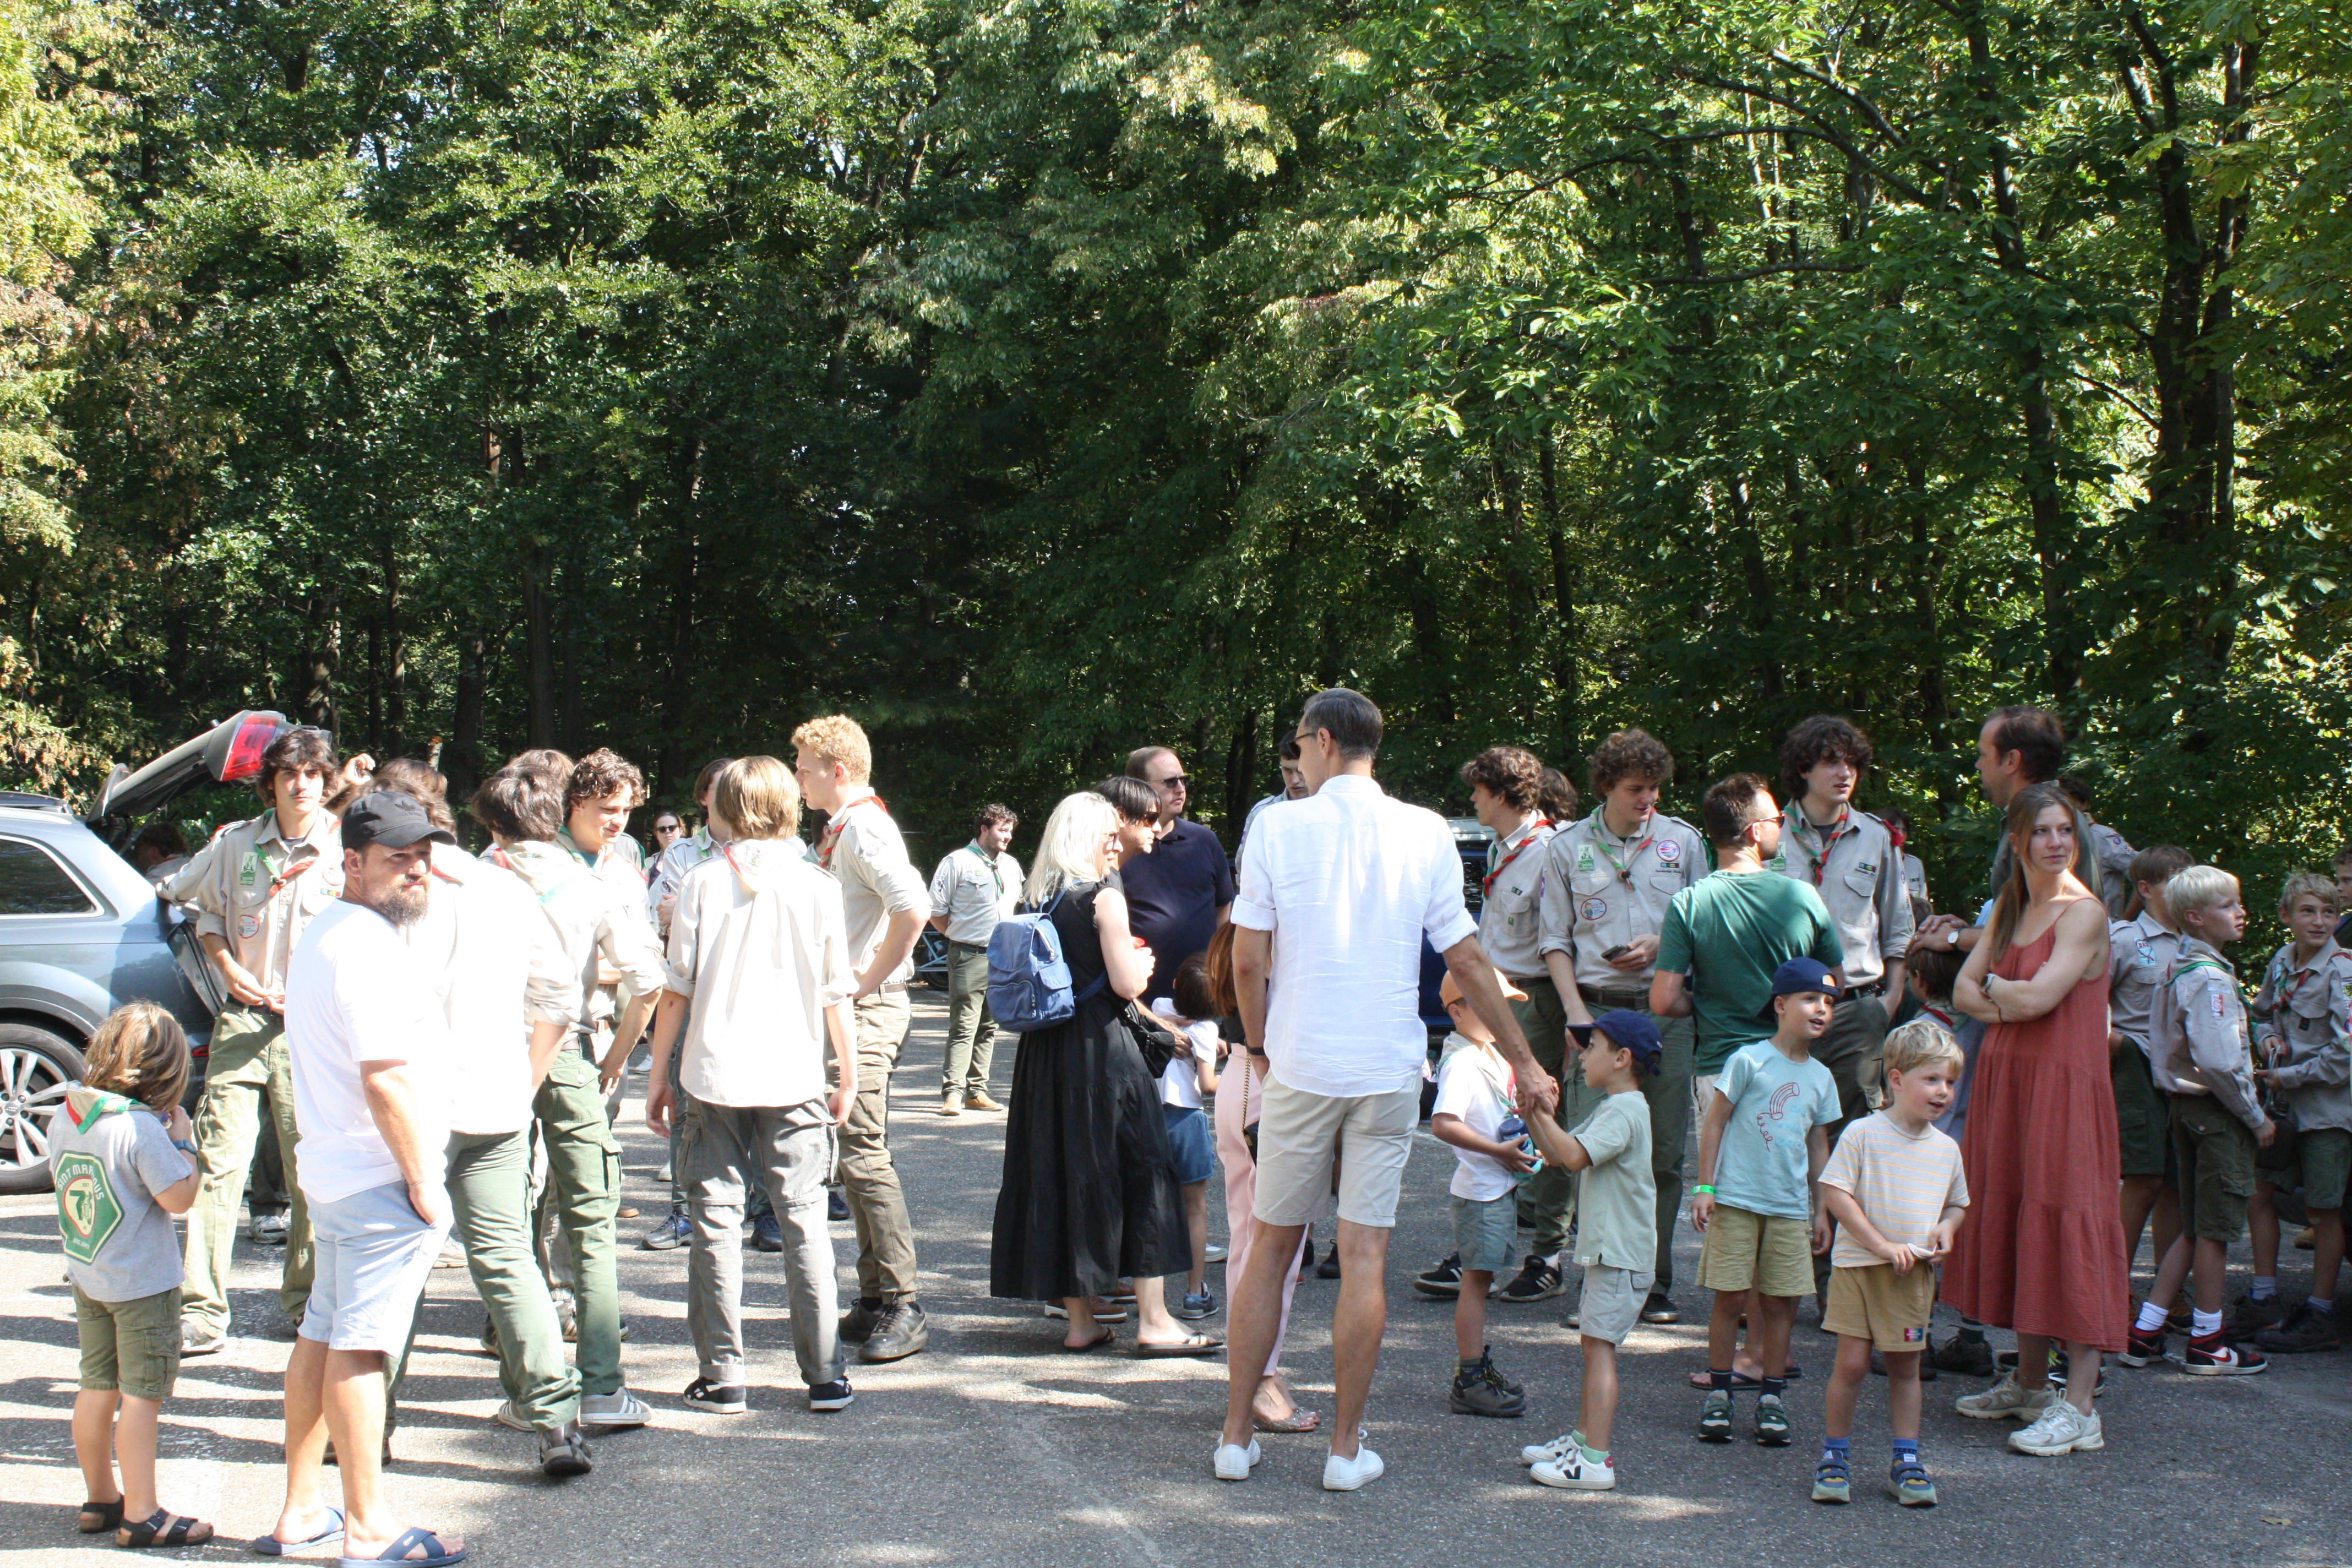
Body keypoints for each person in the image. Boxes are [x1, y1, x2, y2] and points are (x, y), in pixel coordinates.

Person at [1213, 688, 1553, 1493]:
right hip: (1386, 1069)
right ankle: (1343, 1450)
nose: (1293, 760)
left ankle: (1234, 1439)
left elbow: (1248, 960)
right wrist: (1526, 1062)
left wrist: (1258, 1048)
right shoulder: (1427, 831)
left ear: (1325, 743)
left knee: (1270, 1247)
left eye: (1297, 746)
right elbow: (1468, 961)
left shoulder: (1276, 826)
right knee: (1365, 1255)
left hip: (1298, 1064)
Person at [372, 760, 592, 1476]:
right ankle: (558, 1421)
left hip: (412, 1106)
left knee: (395, 1264)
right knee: (509, 1261)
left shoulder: (392, 894)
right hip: (495, 1099)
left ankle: (371, 1423)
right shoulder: (503, 888)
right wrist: (525, 1080)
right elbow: (561, 995)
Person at [270, 791, 467, 1567]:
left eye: (423, 854)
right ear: (351, 862)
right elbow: (385, 1079)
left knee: (323, 1334)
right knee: (361, 1347)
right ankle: (368, 1528)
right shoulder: (367, 946)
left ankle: (299, 1512)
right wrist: (424, 1183)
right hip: (377, 1174)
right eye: (397, 858)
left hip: (337, 1171)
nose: (416, 870)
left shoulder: (330, 931)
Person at [644, 757, 859, 1414]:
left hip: (712, 1072)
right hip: (794, 1072)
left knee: (715, 1221)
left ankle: (723, 1373)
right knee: (804, 1222)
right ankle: (825, 1374)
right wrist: (844, 1073)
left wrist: (657, 1076)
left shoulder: (704, 883)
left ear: (726, 808)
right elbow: (836, 993)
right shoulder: (819, 886)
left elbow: (675, 991)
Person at [989, 790, 1213, 1355]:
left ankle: (1081, 1321)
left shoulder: (1038, 896)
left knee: (1065, 1174)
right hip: (1103, 1053)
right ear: (1083, 837)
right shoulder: (1103, 898)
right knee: (1140, 1176)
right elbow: (1126, 985)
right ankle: (1156, 1321)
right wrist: (1143, 965)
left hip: (1047, 1055)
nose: (1117, 842)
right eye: (1108, 833)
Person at [1942, 782, 2126, 1457]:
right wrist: (2004, 995)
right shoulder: (2014, 907)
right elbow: (1966, 988)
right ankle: (2026, 1381)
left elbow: (2040, 999)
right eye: (2043, 832)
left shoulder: (2085, 912)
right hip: (2009, 1082)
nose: (2056, 843)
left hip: (2065, 1090)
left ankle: (2080, 1405)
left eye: (2065, 832)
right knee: (2020, 1213)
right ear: (2018, 841)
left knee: (2068, 1218)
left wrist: (1994, 990)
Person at [478, 756, 663, 1421]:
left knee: (507, 1216)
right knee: (584, 1213)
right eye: (605, 809)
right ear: (565, 807)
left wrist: (612, 1057)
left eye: (625, 812)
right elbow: (650, 977)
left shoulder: (481, 873)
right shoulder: (587, 882)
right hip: (564, 1050)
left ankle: (532, 1391)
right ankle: (599, 1386)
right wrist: (611, 1057)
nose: (616, 823)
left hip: (492, 1051)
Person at [164, 724, 344, 1355]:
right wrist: (230, 970)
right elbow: (194, 906)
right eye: (290, 775)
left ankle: (306, 1302)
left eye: (314, 775)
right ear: (270, 783)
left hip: (315, 1029)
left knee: (309, 1171)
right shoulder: (237, 845)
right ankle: (202, 1311)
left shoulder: (348, 850)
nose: (302, 785)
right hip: (245, 1020)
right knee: (219, 1164)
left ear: (327, 782)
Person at [1533, 729, 1705, 1321]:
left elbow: (1702, 926)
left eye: (1656, 788)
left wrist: (1663, 942)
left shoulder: (1683, 843)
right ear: (1606, 786)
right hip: (1597, 1011)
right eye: (1636, 789)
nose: (1648, 799)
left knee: (1662, 1152)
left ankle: (1653, 1283)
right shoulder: (1566, 847)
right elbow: (1553, 940)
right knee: (1593, 1148)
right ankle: (1600, 1279)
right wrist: (1575, 1012)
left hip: (1664, 1012)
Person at [795, 714, 932, 1363]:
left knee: (865, 1149)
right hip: (857, 1007)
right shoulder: (847, 828)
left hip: (870, 1009)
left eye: (804, 767)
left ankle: (905, 1302)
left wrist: (863, 980)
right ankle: (877, 1295)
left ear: (837, 771)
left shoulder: (865, 827)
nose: (798, 779)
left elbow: (914, 907)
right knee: (853, 1148)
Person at [50, 1004, 210, 1548]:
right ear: (167, 1073)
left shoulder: (66, 1113)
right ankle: (142, 1513)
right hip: (142, 1285)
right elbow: (179, 1197)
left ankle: (101, 1497)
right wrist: (185, 1142)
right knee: (142, 1396)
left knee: (97, 1383)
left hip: (90, 1275)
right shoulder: (141, 1128)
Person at [1811, 1019, 1969, 1509]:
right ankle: (1834, 1456)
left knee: (1906, 1367)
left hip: (1911, 1274)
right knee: (1853, 1364)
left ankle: (1907, 1460)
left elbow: (1957, 1204)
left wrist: (1948, 1228)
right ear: (1896, 1080)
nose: (1942, 1092)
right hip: (1860, 1270)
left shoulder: (1947, 1150)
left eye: (1949, 1082)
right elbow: (1835, 1191)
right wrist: (1879, 1244)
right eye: (1931, 1080)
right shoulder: (1863, 1133)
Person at [2125, 863, 2274, 1379]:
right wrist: (2255, 1119)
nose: (2241, 913)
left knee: (2192, 1225)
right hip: (2217, 1113)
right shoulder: (2209, 978)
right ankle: (2208, 1341)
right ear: (2196, 917)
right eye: (2229, 906)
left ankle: (2145, 1330)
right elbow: (2219, 1062)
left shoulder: (2177, 969)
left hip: (2185, 1112)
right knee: (2215, 1231)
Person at [1691, 958, 1841, 1449]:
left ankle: (1771, 1397)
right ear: (1780, 1005)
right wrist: (1706, 1187)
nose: (1821, 1009)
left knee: (1781, 1305)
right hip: (1736, 1199)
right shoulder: (1748, 1060)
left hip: (1789, 1207)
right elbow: (1715, 1121)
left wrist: (1821, 1209)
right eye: (1810, 999)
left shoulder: (1822, 1077)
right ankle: (1720, 1393)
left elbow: (1819, 1145)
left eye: (1829, 1003)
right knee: (1730, 1296)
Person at [1517, 1010, 1663, 1495]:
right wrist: (1534, 1114)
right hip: (1612, 1254)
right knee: (1592, 1347)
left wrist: (1539, 1111)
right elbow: (1559, 1154)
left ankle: (1596, 1460)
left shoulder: (1625, 1110)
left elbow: (1573, 1155)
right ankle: (1582, 1442)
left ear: (1622, 1059)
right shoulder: (1614, 1107)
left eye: (1592, 1046)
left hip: (1622, 1256)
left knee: (1599, 1351)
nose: (1582, 1055)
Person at [1444, 746, 1561, 1304]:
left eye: (1478, 789)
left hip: (1530, 998)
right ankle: (1483, 1248)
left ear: (1501, 793)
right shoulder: (1501, 847)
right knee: (1493, 1118)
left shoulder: (1550, 851)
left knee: (1538, 1116)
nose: (1471, 798)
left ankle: (1549, 1253)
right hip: (1492, 996)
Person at [1770, 717, 1913, 1154]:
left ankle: (1841, 1226)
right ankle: (1793, 1225)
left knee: (1852, 1136)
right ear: (1803, 770)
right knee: (1782, 1130)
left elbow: (1899, 927)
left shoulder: (1877, 837)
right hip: (1784, 1011)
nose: (1844, 773)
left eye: (1851, 763)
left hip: (1856, 1010)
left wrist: (1888, 1001)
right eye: (1831, 762)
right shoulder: (1768, 834)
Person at [1203, 922, 1316, 1433]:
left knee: (1253, 1240)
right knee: (1274, 1251)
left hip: (1242, 1083)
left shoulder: (1239, 932)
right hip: (1267, 1083)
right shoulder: (1270, 939)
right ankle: (1260, 1379)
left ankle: (1257, 1373)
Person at [2245, 872, 2352, 1353]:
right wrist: (2266, 1038)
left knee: (2324, 1210)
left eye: (2329, 913)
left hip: (2328, 1111)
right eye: (2308, 911)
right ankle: (2264, 1297)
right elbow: (2262, 1012)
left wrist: (2290, 1075)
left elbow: (2348, 1051)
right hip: (2284, 1108)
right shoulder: (2282, 962)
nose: (2320, 921)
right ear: (2287, 916)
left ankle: (2320, 1311)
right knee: (2259, 1191)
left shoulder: (2344, 970)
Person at [1427, 966, 1536, 1418]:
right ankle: (1470, 1376)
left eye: (1505, 1006)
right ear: (1456, 1011)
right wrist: (1497, 1150)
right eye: (1488, 1005)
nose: (1500, 1014)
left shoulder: (1489, 1053)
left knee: (1483, 1279)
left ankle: (1475, 1369)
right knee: (1476, 1283)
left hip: (1497, 1184)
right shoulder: (1462, 1062)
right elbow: (1443, 1123)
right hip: (1482, 1189)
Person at [639, 757, 736, 1248]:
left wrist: (695, 913)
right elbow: (659, 916)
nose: (734, 796)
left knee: (754, 1104)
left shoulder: (772, 851)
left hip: (744, 997)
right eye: (723, 788)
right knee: (682, 1107)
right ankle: (682, 1212)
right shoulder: (680, 853)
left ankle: (762, 1214)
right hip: (691, 994)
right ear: (703, 797)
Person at [1917, 705, 2094, 959]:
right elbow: (2027, 921)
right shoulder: (2055, 817)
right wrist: (1970, 929)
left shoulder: (2038, 826)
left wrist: (1954, 938)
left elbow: (2032, 934)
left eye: (1983, 755)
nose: (1978, 765)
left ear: (2011, 761)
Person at [2108, 845, 2193, 1280]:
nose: (2186, 891)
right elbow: (2086, 1002)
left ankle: (2167, 1293)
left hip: (2183, 1075)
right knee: (2143, 1180)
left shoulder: (2194, 943)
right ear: (2145, 888)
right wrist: (2118, 1043)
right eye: (2174, 882)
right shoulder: (2124, 939)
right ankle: (2113, 1291)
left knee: (2177, 1185)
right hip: (2136, 1067)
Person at [1118, 746, 1235, 1004]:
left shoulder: (1204, 841)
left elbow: (1223, 911)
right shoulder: (1120, 848)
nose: (1180, 789)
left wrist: (1218, 968)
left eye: (1184, 780)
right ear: (1140, 788)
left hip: (1202, 997)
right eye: (1170, 782)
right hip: (1137, 999)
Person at [928, 802, 1023, 1116]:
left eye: (1011, 831)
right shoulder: (956, 862)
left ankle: (977, 1091)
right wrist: (958, 938)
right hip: (969, 954)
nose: (1008, 836)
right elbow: (936, 911)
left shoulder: (1011, 866)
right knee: (965, 1025)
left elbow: (1017, 909)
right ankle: (952, 1093)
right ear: (984, 829)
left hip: (1002, 956)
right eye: (1002, 830)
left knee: (989, 1026)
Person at [1150, 955, 1224, 1319]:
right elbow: (1208, 1084)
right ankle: (1195, 1294)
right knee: (1195, 1209)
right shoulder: (1206, 1030)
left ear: (1177, 985)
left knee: (1151, 1208)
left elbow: (1164, 1013)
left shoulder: (1160, 1007)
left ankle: (1150, 1295)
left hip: (1150, 1117)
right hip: (1186, 1120)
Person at [2057, 777, 2138, 917]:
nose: (2062, 809)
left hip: (2104, 929)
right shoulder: (2049, 841)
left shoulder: (2104, 839)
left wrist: (2126, 922)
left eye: (2068, 803)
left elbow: (2147, 875)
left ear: (2083, 804)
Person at [1237, 734, 1307, 859]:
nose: (1295, 780)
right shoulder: (1263, 812)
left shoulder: (1332, 810)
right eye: (1288, 770)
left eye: (1300, 771)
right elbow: (1245, 864)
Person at [1880, 810, 1930, 928]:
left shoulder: (1915, 864)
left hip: (1913, 926)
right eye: (1896, 829)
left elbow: (1923, 901)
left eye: (1905, 830)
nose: (1901, 835)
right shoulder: (1875, 862)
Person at [131, 823, 190, 889]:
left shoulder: (158, 877)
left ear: (154, 853)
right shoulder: (194, 863)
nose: (137, 861)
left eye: (138, 855)